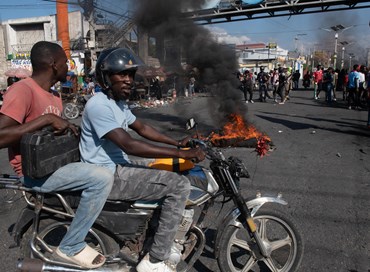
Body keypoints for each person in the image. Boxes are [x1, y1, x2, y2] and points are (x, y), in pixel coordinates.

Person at [79, 47, 206, 272]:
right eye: (122, 75)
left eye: (130, 74)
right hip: (106, 176)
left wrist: (177, 143)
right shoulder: (99, 105)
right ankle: (155, 260)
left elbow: (143, 128)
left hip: (119, 166)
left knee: (169, 170)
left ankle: (157, 233)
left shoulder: (117, 104)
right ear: (105, 77)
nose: (129, 80)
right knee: (178, 186)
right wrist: (181, 154)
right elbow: (129, 144)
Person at [0, 41, 114, 269]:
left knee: (110, 164)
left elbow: (47, 135)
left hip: (54, 165)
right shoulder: (22, 90)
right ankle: (71, 245)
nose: (68, 67)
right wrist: (46, 120)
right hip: (34, 173)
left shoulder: (54, 96)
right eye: (65, 62)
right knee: (101, 177)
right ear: (53, 64)